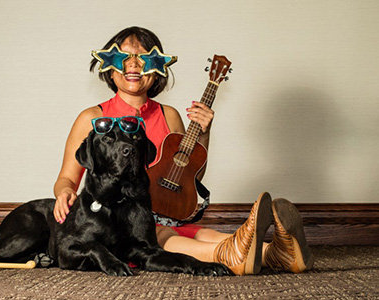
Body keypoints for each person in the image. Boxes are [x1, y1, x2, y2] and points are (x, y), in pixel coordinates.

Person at [53, 26, 314, 275]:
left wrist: (203, 132)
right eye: (123, 58)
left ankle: (278, 253)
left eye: (144, 59)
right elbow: (67, 177)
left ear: (159, 70)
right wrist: (64, 192)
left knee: (202, 233)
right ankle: (233, 254)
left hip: (163, 214)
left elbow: (188, 178)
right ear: (109, 69)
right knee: (162, 235)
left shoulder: (169, 116)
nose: (133, 65)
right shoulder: (93, 118)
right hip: (120, 222)